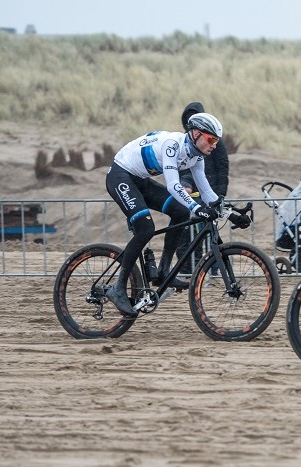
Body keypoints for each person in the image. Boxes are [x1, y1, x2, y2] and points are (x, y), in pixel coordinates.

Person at [104, 113, 244, 317]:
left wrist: (231, 214)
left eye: (216, 141)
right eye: (211, 139)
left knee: (180, 212)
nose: (214, 145)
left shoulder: (196, 157)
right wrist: (197, 208)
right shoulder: (172, 145)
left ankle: (163, 272)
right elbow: (173, 185)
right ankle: (118, 288)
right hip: (120, 175)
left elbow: (207, 193)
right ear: (196, 134)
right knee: (145, 229)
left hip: (139, 180)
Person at [176, 102, 230, 274]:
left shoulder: (214, 141)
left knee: (212, 235)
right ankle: (191, 271)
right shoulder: (183, 142)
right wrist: (185, 185)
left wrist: (220, 195)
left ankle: (215, 270)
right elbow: (183, 168)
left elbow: (223, 166)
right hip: (191, 194)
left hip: (210, 192)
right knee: (190, 236)